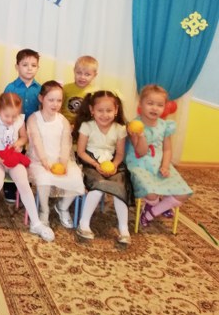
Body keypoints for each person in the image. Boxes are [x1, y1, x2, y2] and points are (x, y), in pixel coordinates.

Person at [0, 93, 54, 241]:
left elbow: (23, 137)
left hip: (12, 156)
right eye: (7, 116)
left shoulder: (19, 120)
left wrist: (18, 143)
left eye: (14, 116)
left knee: (23, 182)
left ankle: (36, 223)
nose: (10, 120)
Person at [125, 84, 192, 228]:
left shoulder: (165, 125)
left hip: (159, 165)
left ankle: (151, 211)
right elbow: (141, 152)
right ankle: (157, 206)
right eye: (150, 103)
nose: (155, 108)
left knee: (184, 193)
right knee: (152, 194)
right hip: (139, 166)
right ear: (140, 104)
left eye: (160, 105)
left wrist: (165, 166)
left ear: (165, 107)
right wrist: (141, 135)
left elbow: (167, 149)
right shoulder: (135, 125)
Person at [73, 91, 133, 244]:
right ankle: (84, 224)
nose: (105, 115)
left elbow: (120, 153)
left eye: (109, 110)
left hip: (112, 163)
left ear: (116, 110)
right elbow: (80, 151)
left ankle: (124, 229)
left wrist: (114, 165)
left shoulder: (120, 128)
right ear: (92, 110)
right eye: (100, 110)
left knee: (120, 188)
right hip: (90, 161)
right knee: (98, 186)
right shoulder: (87, 126)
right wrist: (95, 164)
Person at [27, 81, 85, 229]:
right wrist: (44, 161)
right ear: (41, 98)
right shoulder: (34, 118)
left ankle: (62, 207)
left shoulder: (62, 120)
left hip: (60, 160)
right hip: (39, 160)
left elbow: (65, 143)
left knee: (77, 178)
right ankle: (44, 210)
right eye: (51, 100)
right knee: (44, 179)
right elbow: (36, 141)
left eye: (59, 100)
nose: (55, 104)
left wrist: (63, 163)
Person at [2, 48, 41, 202]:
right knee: (12, 156)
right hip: (14, 129)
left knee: (28, 157)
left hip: (32, 130)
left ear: (38, 67)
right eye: (25, 65)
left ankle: (25, 187)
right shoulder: (10, 88)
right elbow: (3, 109)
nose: (29, 68)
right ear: (17, 67)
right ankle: (9, 187)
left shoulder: (40, 89)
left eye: (33, 65)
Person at [61, 55, 98, 127]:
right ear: (74, 71)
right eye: (79, 73)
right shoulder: (65, 88)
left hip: (83, 126)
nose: (82, 77)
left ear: (94, 75)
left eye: (87, 74)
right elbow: (58, 107)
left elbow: (94, 113)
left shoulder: (95, 93)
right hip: (63, 123)